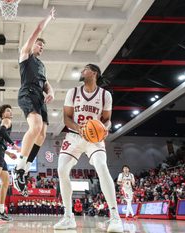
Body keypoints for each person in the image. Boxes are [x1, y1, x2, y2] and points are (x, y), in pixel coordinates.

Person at [53, 64, 123, 232]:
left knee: (101, 166)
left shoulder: (105, 95)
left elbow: (107, 120)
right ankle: (68, 217)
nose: (82, 72)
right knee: (62, 169)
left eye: (85, 69)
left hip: (95, 139)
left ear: (94, 73)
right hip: (74, 135)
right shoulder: (73, 92)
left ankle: (115, 217)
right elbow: (67, 118)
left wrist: (105, 128)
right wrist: (80, 128)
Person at [12, 7, 56, 195]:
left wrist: (51, 92)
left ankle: (25, 169)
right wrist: (47, 19)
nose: (41, 47)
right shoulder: (25, 54)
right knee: (36, 125)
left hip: (40, 95)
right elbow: (37, 30)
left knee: (42, 133)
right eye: (39, 45)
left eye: (42, 46)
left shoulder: (42, 65)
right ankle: (18, 168)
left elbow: (46, 84)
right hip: (27, 93)